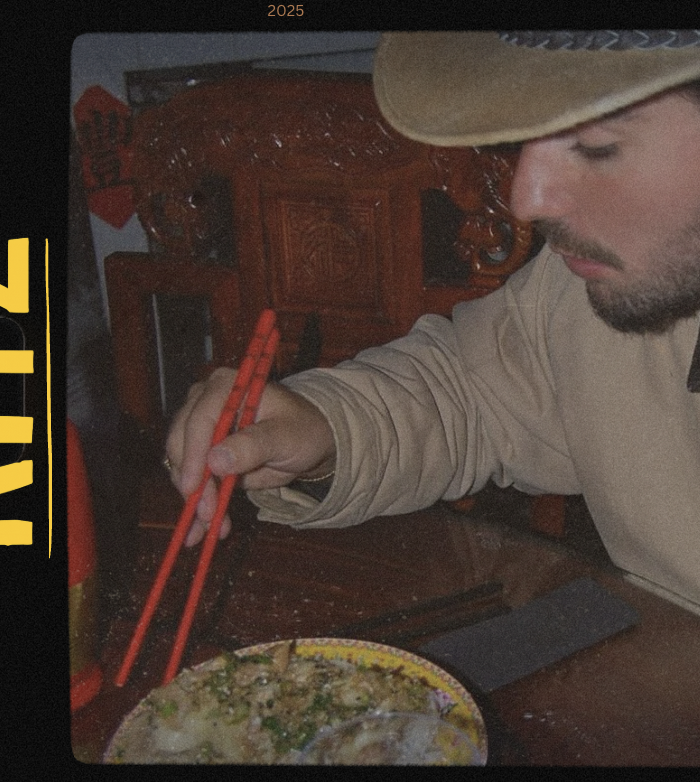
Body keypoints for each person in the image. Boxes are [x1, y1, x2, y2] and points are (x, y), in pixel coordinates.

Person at [163, 31, 700, 612]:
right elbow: (474, 393)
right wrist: (323, 429)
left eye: (596, 144)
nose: (526, 198)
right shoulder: (588, 289)